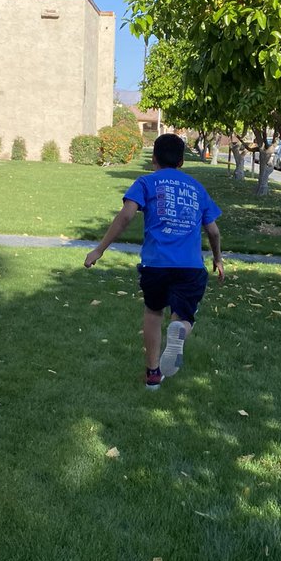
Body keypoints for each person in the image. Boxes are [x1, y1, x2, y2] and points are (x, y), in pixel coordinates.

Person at [84, 133, 224, 389]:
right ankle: (180, 331)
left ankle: (152, 376)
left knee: (153, 312)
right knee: (183, 317)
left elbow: (125, 217)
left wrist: (99, 250)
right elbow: (213, 231)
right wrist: (218, 258)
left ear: (153, 158)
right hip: (190, 267)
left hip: (155, 265)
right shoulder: (196, 188)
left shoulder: (145, 182)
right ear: (182, 161)